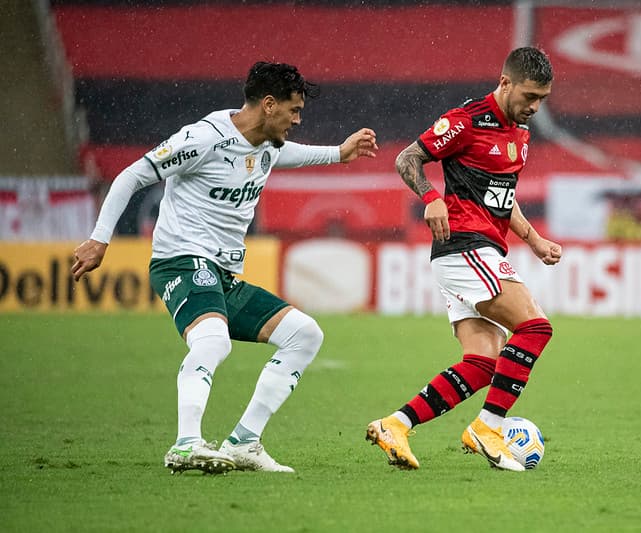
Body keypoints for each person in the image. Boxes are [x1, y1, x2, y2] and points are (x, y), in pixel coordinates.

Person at [72, 62, 378, 474]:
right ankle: (185, 445)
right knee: (213, 340)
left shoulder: (265, 146)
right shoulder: (203, 139)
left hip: (223, 274)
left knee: (304, 335)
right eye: (293, 110)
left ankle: (243, 442)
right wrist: (100, 238)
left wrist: (340, 153)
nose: (298, 119)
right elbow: (131, 176)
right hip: (180, 259)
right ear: (269, 106)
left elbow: (288, 155)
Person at [366, 47, 561, 472]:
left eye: (542, 99)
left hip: (477, 248)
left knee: (483, 362)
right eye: (529, 95)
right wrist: (431, 197)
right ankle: (489, 427)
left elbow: (501, 201)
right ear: (505, 82)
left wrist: (534, 239)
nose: (535, 107)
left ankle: (394, 424)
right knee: (535, 327)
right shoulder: (466, 121)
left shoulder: (520, 137)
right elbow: (407, 158)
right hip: (464, 246)